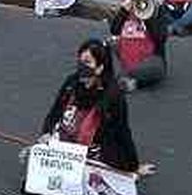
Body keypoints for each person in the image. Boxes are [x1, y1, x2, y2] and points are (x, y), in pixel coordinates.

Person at [37, 39, 155, 177]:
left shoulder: (112, 95)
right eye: (80, 61)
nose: (81, 66)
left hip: (93, 152)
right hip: (64, 144)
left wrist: (132, 166)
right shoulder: (71, 83)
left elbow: (122, 131)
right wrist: (46, 133)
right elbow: (55, 111)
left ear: (100, 67)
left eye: (87, 62)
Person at [107, 0, 169, 92]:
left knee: (155, 67)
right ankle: (128, 78)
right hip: (127, 56)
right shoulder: (128, 5)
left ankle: (127, 78)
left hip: (150, 59)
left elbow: (161, 38)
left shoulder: (157, 8)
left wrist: (146, 16)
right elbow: (114, 30)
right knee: (108, 44)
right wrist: (124, 9)